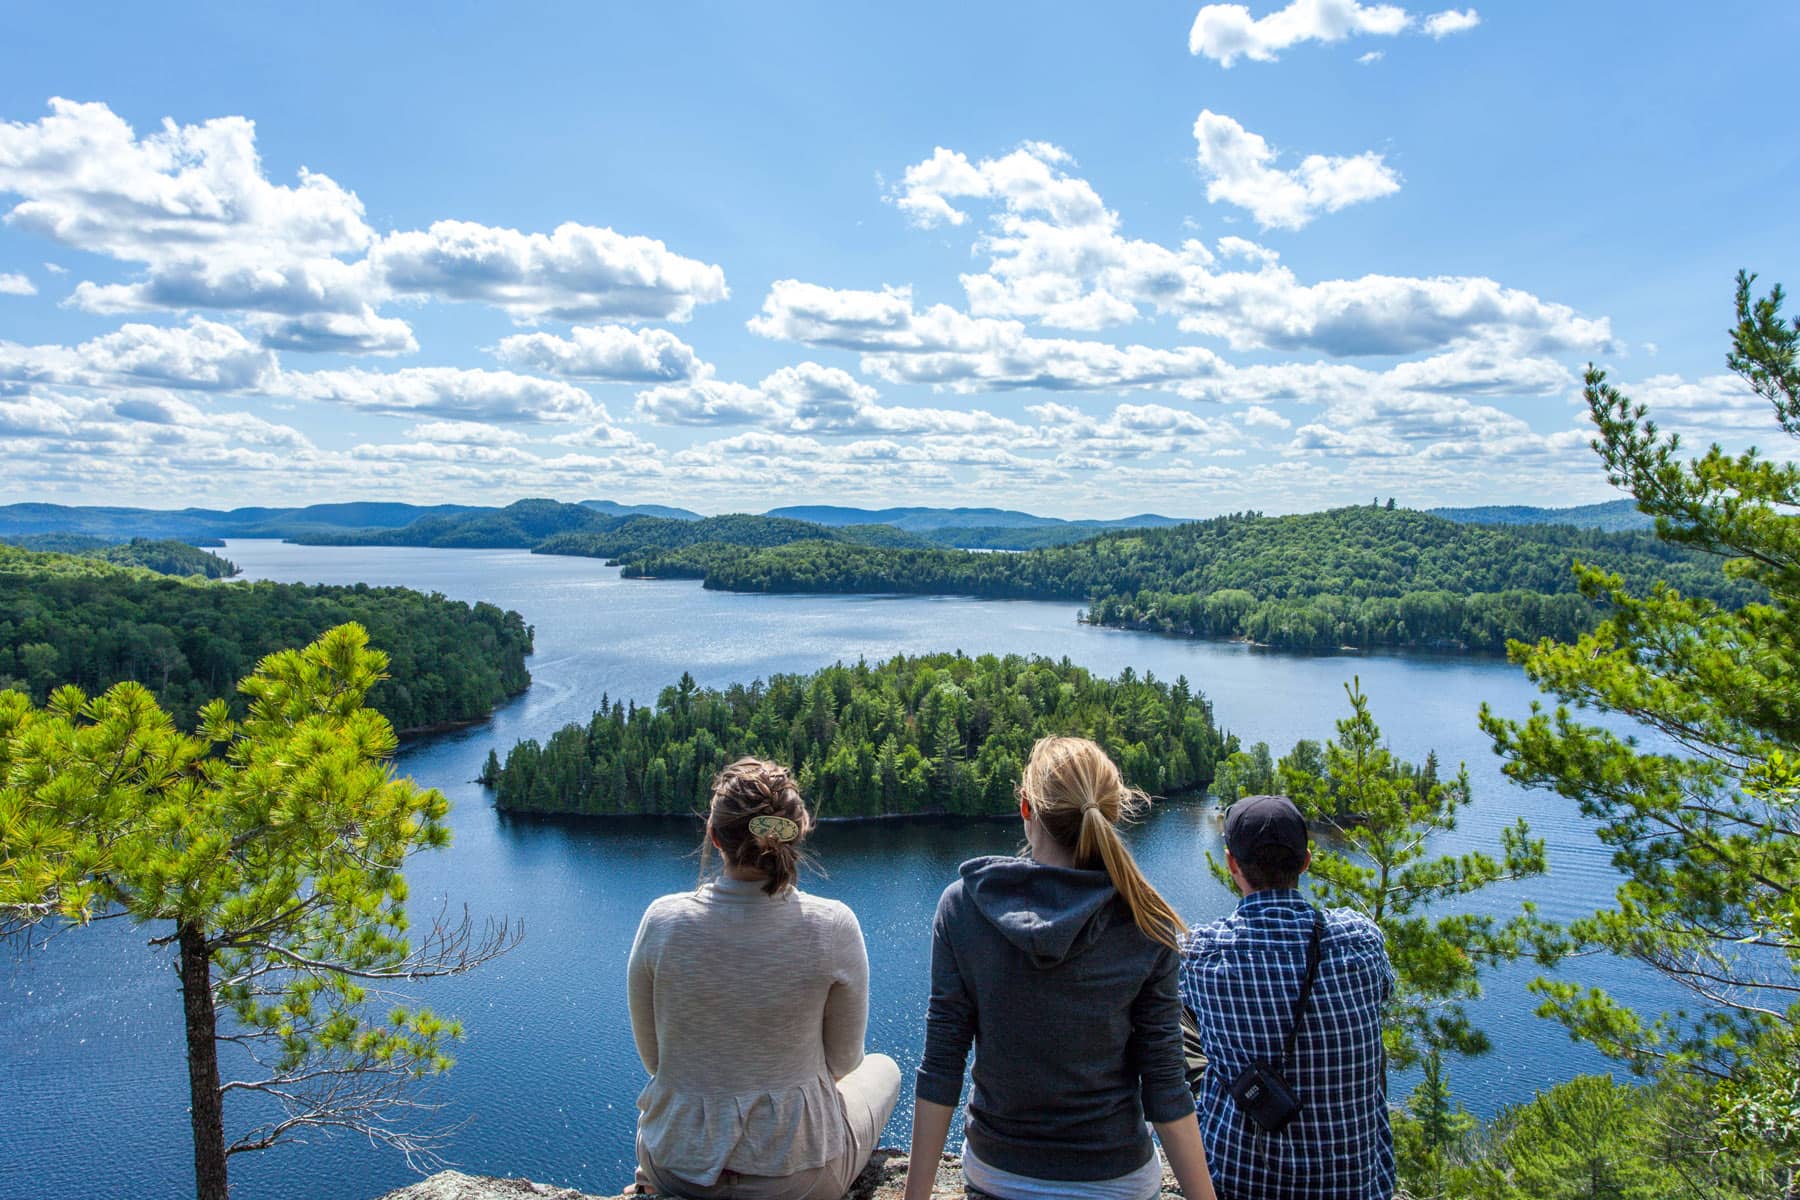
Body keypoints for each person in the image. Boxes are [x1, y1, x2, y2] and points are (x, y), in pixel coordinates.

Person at [904, 736, 1219, 1200]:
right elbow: (1165, 1085)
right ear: (1110, 814)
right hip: (1118, 1181)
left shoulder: (964, 907)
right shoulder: (1145, 921)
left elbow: (941, 1066)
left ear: (1027, 809)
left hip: (997, 1175)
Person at [628, 758, 901, 1200]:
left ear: (715, 836)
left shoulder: (663, 921)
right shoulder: (833, 926)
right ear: (795, 837)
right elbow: (844, 1063)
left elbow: (656, 1062)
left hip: (675, 1169)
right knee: (884, 1068)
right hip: (798, 1179)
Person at [1179, 794, 1396, 1200]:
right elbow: (1384, 994)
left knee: (1176, 1016)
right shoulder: (1362, 938)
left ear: (1232, 865)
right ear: (1306, 861)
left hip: (1241, 1185)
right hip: (1357, 1187)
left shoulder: (1202, 954)